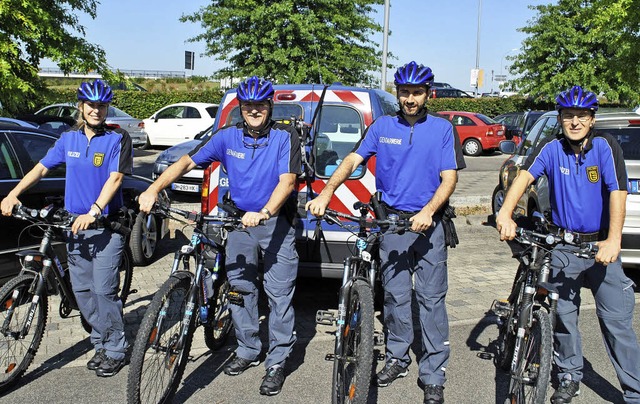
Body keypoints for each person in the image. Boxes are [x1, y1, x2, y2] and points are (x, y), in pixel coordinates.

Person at [306, 61, 466, 404]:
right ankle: (397, 356)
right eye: (405, 92)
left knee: (431, 299)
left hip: (428, 225)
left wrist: (428, 212)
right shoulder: (381, 126)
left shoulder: (441, 129)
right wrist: (327, 190)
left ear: (428, 94)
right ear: (398, 93)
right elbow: (352, 159)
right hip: (391, 223)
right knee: (394, 296)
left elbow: (450, 177)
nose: (410, 99)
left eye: (417, 93)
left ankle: (433, 373)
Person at [138, 76, 301, 396]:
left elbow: (288, 181)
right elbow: (186, 161)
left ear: (270, 106)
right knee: (240, 289)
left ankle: (277, 360)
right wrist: (154, 188)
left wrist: (265, 212)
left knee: (279, 294)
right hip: (239, 221)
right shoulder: (227, 136)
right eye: (249, 105)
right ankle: (249, 349)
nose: (254, 110)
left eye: (260, 105)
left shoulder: (285, 135)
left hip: (275, 221)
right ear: (242, 108)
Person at [496, 85, 640, 403]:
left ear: (592, 118)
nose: (574, 121)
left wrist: (613, 240)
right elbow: (523, 178)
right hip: (564, 246)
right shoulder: (551, 149)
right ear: (561, 118)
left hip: (601, 247)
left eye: (581, 115)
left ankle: (634, 392)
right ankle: (568, 377)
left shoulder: (606, 147)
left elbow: (618, 192)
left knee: (617, 324)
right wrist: (505, 213)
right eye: (568, 115)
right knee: (564, 318)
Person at [1, 79, 132, 377]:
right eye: (91, 105)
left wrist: (94, 210)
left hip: (105, 227)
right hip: (74, 227)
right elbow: (41, 168)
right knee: (82, 291)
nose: (96, 110)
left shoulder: (117, 138)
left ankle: (116, 348)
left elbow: (115, 179)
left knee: (103, 291)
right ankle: (101, 341)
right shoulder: (68, 138)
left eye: (101, 105)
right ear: (81, 106)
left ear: (106, 107)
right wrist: (13, 194)